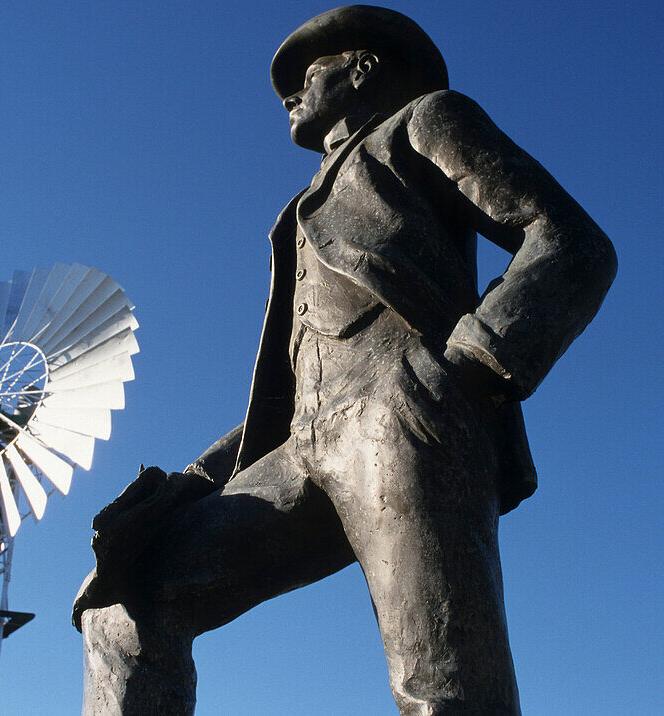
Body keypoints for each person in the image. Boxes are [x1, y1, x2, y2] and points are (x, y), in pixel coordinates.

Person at [73, 6, 616, 714]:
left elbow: (571, 240)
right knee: (128, 595)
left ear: (360, 70)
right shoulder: (297, 211)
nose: (291, 93)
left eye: (308, 73)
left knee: (441, 682)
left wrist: (468, 363)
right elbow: (291, 392)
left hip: (407, 411)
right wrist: (196, 480)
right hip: (303, 445)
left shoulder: (426, 121)